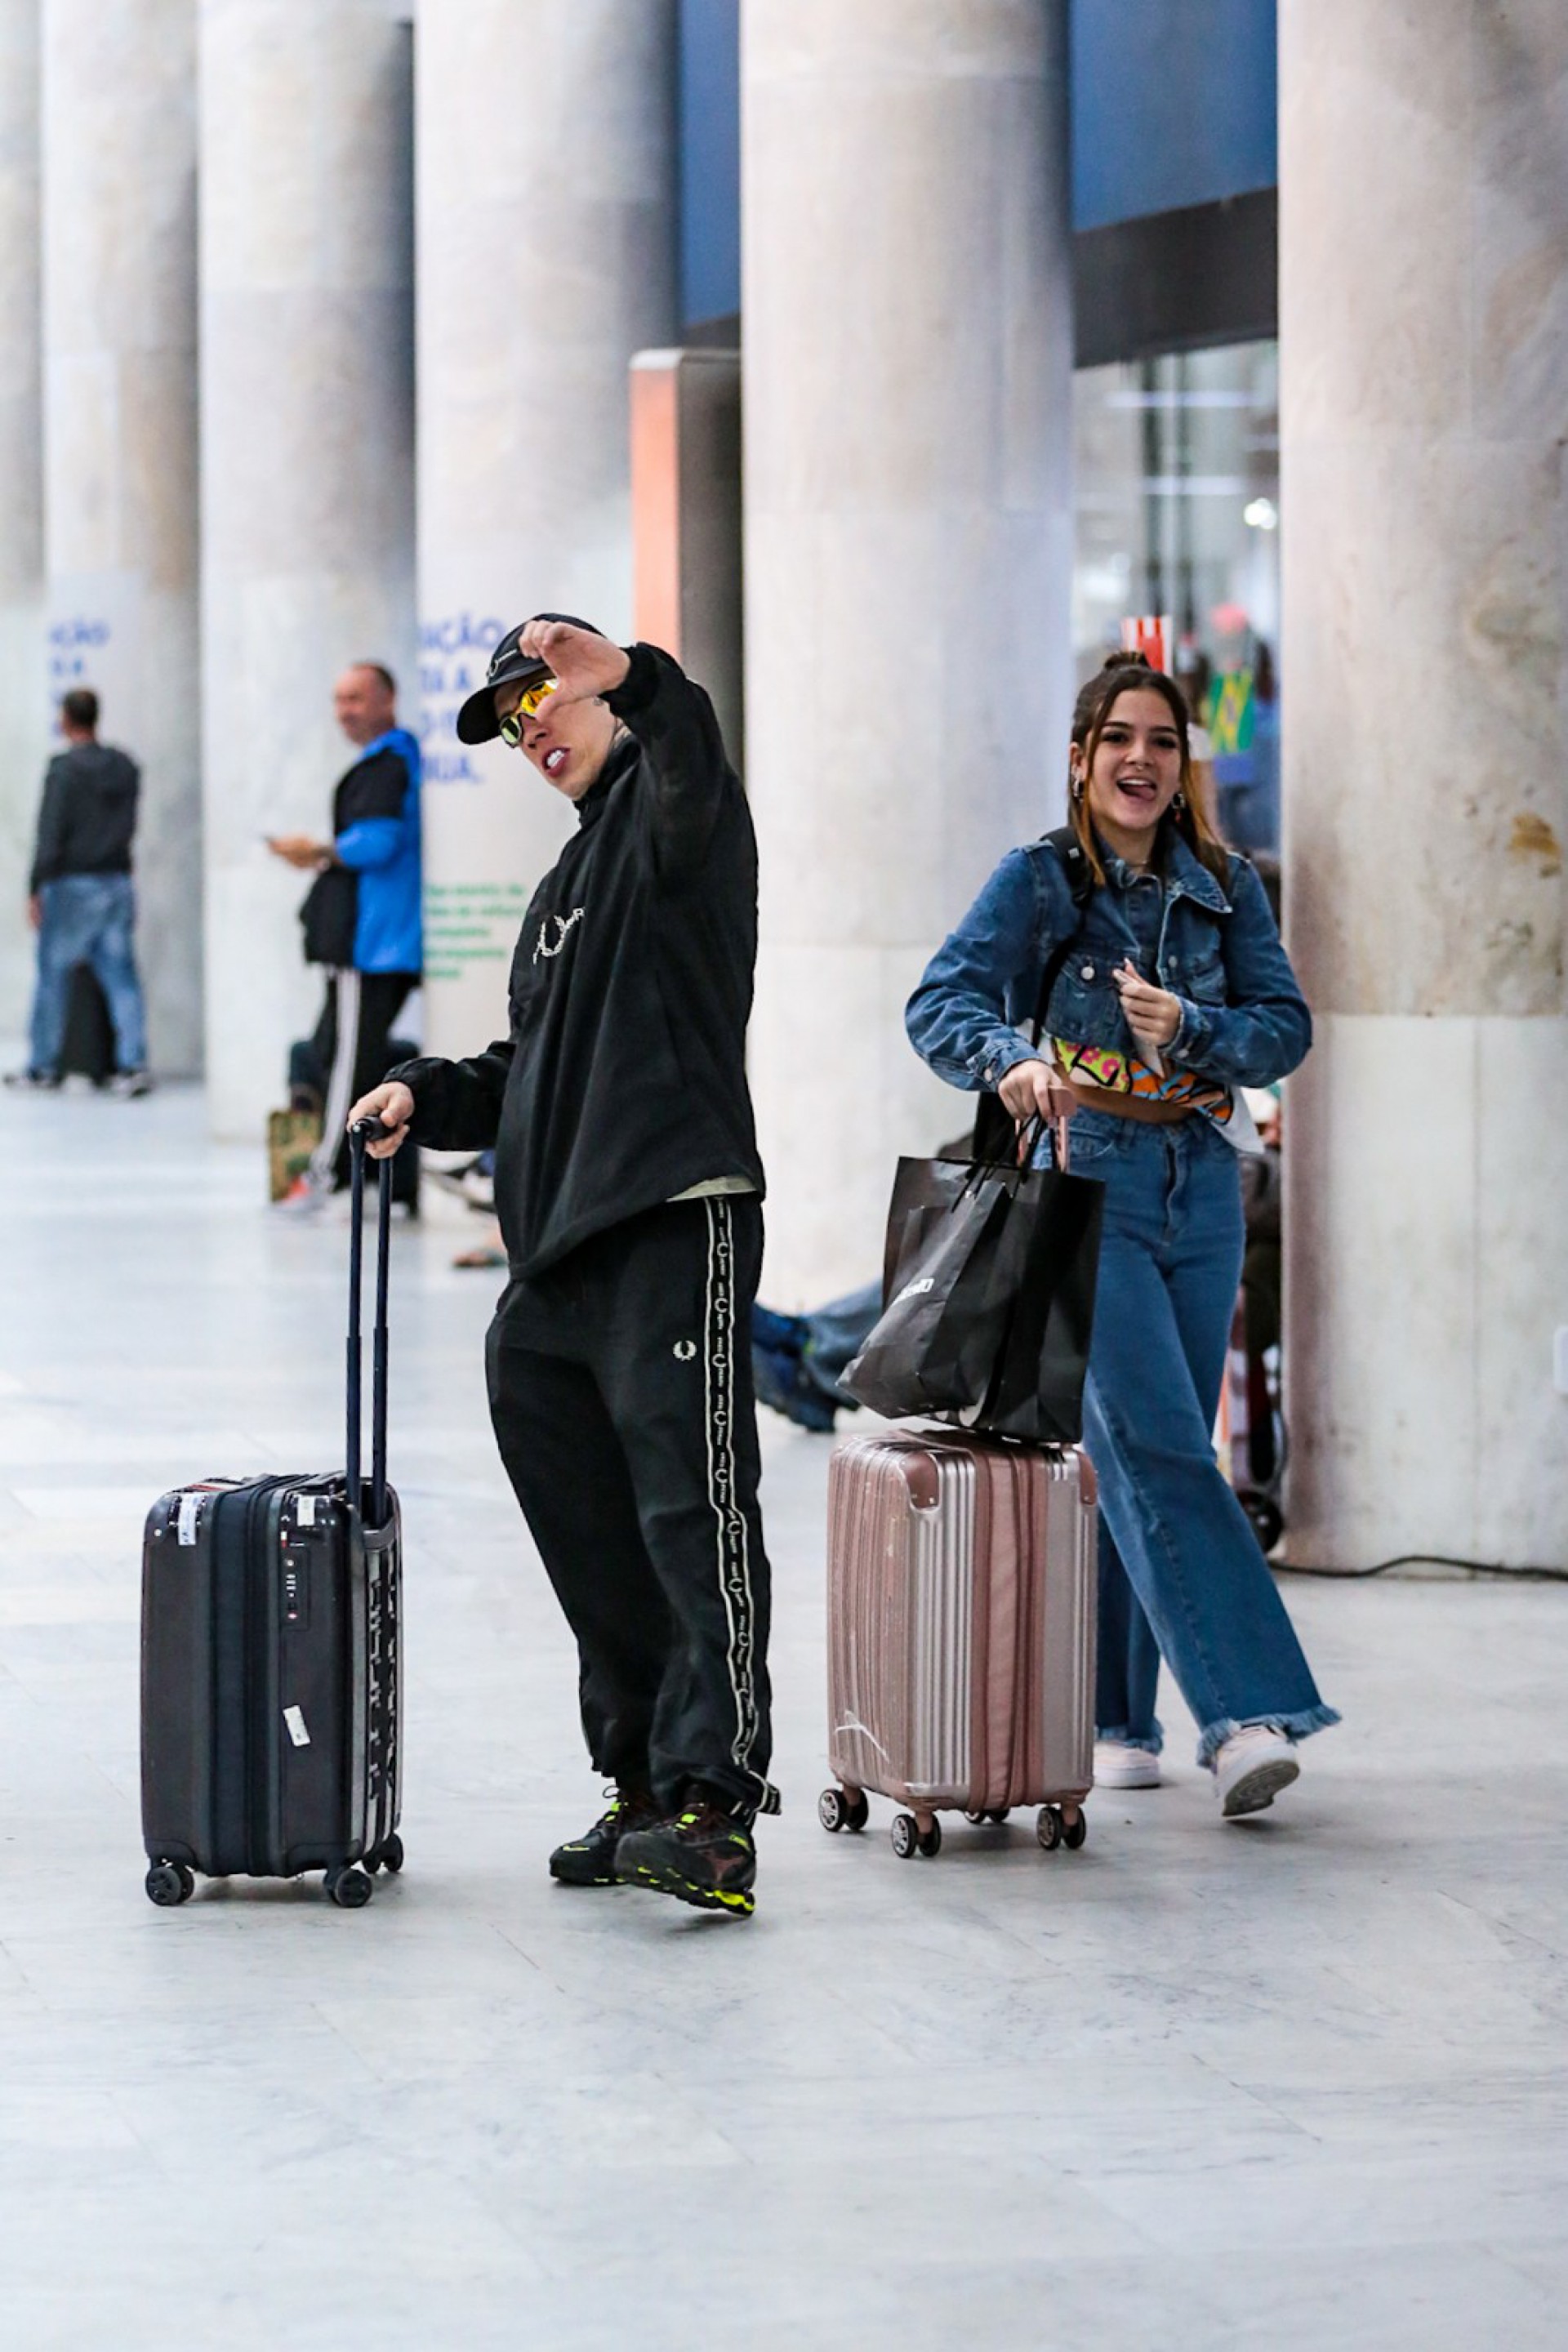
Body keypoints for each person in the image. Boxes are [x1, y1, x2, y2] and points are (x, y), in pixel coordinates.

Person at [350, 615, 777, 1917]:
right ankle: (642, 1781)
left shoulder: (675, 818)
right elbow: (532, 1069)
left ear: (599, 692)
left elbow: (689, 741)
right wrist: (429, 1091)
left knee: (690, 1513)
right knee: (591, 1528)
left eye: (545, 701)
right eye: (512, 720)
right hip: (560, 1259)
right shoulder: (567, 886)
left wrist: (639, 678)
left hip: (668, 1214)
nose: (533, 730)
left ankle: (713, 1807)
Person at [906, 648, 1338, 1822]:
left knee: (1144, 1450)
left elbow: (1283, 1029)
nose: (1140, 761)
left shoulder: (1225, 884)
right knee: (1159, 1447)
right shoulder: (1042, 880)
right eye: (1119, 741)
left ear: (1183, 763)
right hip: (1084, 1173)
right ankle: (1246, 1714)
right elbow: (939, 1002)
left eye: (1161, 742)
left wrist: (1192, 1026)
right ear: (1081, 758)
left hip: (1201, 1182)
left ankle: (1113, 1719)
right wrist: (1014, 1061)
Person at [267, 663, 421, 1211]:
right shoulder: (388, 761)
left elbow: (378, 843)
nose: (345, 711)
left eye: (356, 698)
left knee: (348, 1063)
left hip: (373, 942)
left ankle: (329, 1173)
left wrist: (322, 850)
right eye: (338, 700)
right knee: (343, 1052)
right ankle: (383, 1180)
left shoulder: (389, 763)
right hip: (374, 938)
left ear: (388, 698)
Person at [6, 688, 150, 1097]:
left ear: (67, 720)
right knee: (122, 978)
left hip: (71, 884)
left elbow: (50, 832)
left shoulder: (64, 770)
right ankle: (132, 1063)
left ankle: (43, 1065)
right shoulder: (124, 768)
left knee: (53, 979)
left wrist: (36, 885)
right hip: (115, 881)